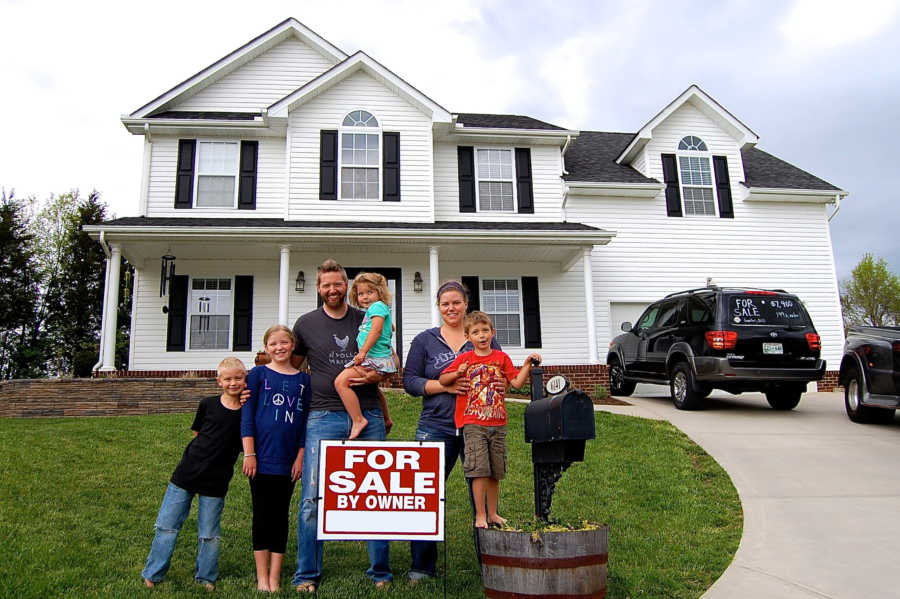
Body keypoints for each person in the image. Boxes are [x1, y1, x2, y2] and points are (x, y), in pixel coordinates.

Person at [291, 259, 393, 593]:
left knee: (374, 494)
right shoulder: (305, 325)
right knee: (312, 497)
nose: (332, 290)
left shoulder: (367, 317)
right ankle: (307, 573)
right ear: (318, 288)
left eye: (338, 284)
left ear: (345, 285)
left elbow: (389, 359)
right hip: (322, 416)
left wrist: (380, 375)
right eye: (326, 285)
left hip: (367, 413)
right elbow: (293, 369)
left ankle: (380, 572)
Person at [402, 280, 502, 582]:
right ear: (438, 307)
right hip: (435, 426)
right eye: (445, 304)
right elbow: (410, 381)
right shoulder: (425, 341)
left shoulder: (482, 336)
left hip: (478, 426)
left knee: (482, 499)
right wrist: (441, 384)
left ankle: (491, 564)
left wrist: (502, 384)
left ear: (465, 303)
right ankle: (422, 565)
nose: (451, 308)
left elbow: (502, 371)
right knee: (425, 495)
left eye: (456, 302)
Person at [141, 357, 247, 591]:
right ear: (219, 381)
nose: (233, 383)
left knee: (209, 534)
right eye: (227, 379)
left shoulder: (247, 412)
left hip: (217, 480)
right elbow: (198, 433)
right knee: (167, 526)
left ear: (245, 378)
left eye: (238, 378)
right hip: (186, 474)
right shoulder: (207, 404)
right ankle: (153, 573)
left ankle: (206, 577)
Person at [440, 311, 540, 529]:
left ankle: (493, 513)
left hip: (498, 423)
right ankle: (480, 515)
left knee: (496, 470)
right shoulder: (465, 359)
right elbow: (443, 378)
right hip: (473, 423)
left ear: (493, 333)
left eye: (485, 330)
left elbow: (516, 383)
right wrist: (458, 372)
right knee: (479, 470)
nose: (482, 335)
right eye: (476, 332)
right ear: (468, 337)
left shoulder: (501, 358)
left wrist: (527, 366)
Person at [241, 325, 310, 592]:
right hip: (260, 458)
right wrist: (250, 453)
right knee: (262, 515)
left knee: (280, 516)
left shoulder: (304, 380)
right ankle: (261, 577)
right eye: (273, 344)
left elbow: (305, 421)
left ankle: (275, 577)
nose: (279, 347)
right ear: (266, 347)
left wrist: (300, 456)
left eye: (284, 343)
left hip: (288, 460)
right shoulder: (258, 375)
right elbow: (247, 417)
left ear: (292, 345)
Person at [334, 272, 397, 440]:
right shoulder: (377, 310)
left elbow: (376, 330)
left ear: (380, 293)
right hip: (378, 358)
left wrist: (362, 352)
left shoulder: (377, 307)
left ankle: (358, 419)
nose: (365, 297)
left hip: (373, 359)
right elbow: (389, 327)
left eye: (370, 292)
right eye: (361, 293)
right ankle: (386, 418)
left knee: (341, 383)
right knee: (374, 389)